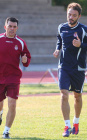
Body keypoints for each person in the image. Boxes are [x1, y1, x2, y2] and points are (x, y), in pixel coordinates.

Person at [0, 17, 31, 139]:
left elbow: (27, 58)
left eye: (14, 27)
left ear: (17, 28)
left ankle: (6, 132)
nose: (12, 29)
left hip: (14, 78)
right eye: (10, 26)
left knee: (12, 104)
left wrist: (25, 61)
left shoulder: (21, 42)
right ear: (5, 27)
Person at [53, 2, 87, 137]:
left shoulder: (84, 29)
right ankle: (66, 126)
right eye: (69, 15)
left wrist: (81, 45)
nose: (71, 17)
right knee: (64, 94)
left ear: (79, 16)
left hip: (78, 68)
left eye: (74, 15)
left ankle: (76, 122)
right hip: (64, 66)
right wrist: (57, 49)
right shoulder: (61, 27)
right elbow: (59, 39)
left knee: (77, 97)